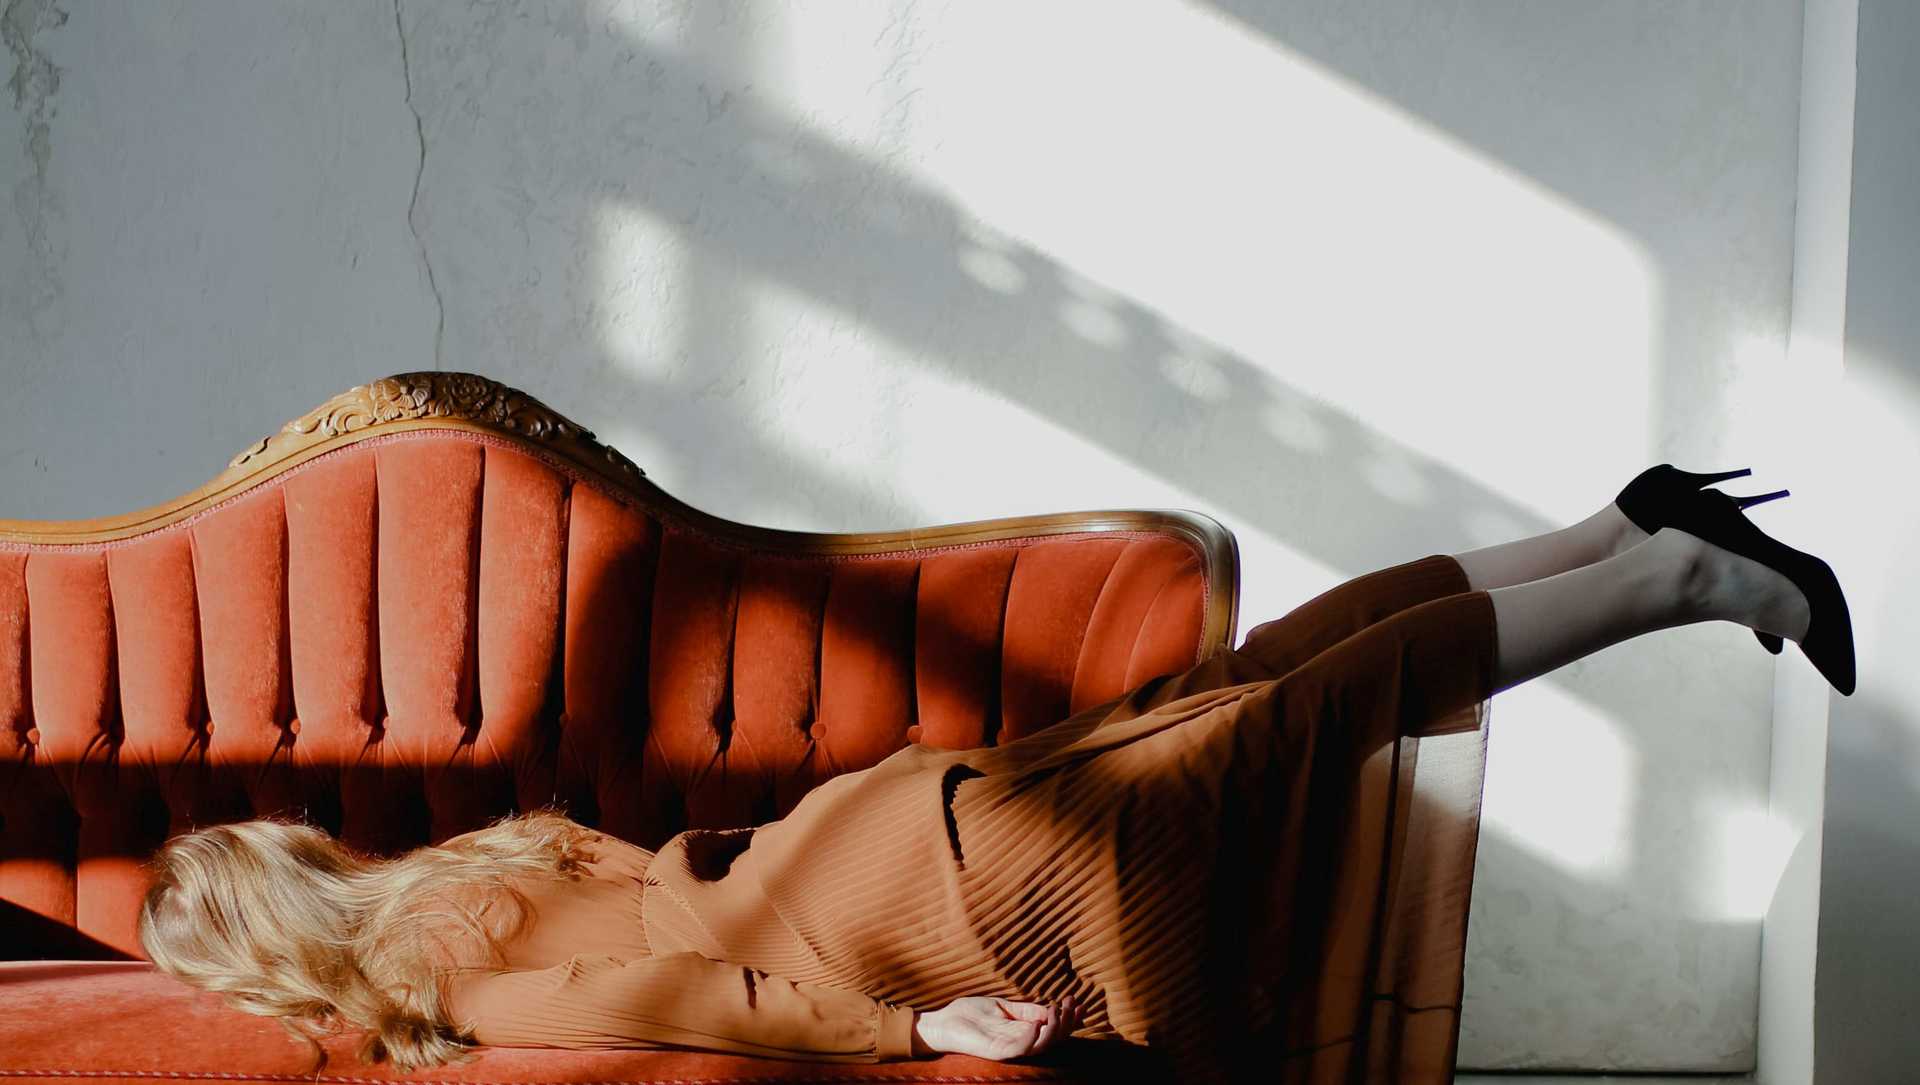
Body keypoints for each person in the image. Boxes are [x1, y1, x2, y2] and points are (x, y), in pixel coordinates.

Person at [135, 466, 1848, 1084]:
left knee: (1273, 735)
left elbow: (675, 986)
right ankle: (1615, 526)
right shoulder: (460, 858)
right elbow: (661, 892)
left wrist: (904, 1027)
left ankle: (1673, 582)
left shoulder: (430, 977)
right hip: (879, 817)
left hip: (915, 901)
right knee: (1234, 697)